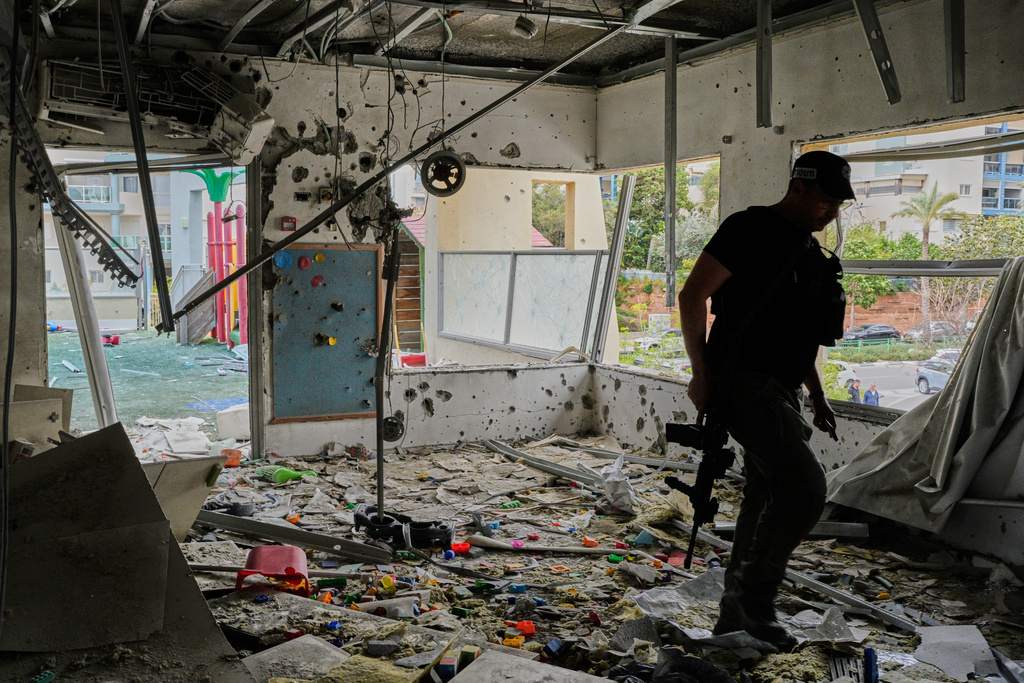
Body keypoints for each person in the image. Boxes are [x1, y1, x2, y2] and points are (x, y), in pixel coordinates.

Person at [678, 150, 853, 651]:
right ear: (798, 188)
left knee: (764, 495)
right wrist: (700, 374)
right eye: (824, 201)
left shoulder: (808, 250)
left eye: (838, 204)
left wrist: (817, 395)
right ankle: (755, 602)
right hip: (745, 385)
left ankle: (735, 615)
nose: (831, 212)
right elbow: (692, 296)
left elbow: (800, 336)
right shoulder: (749, 228)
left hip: (783, 391)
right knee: (806, 489)